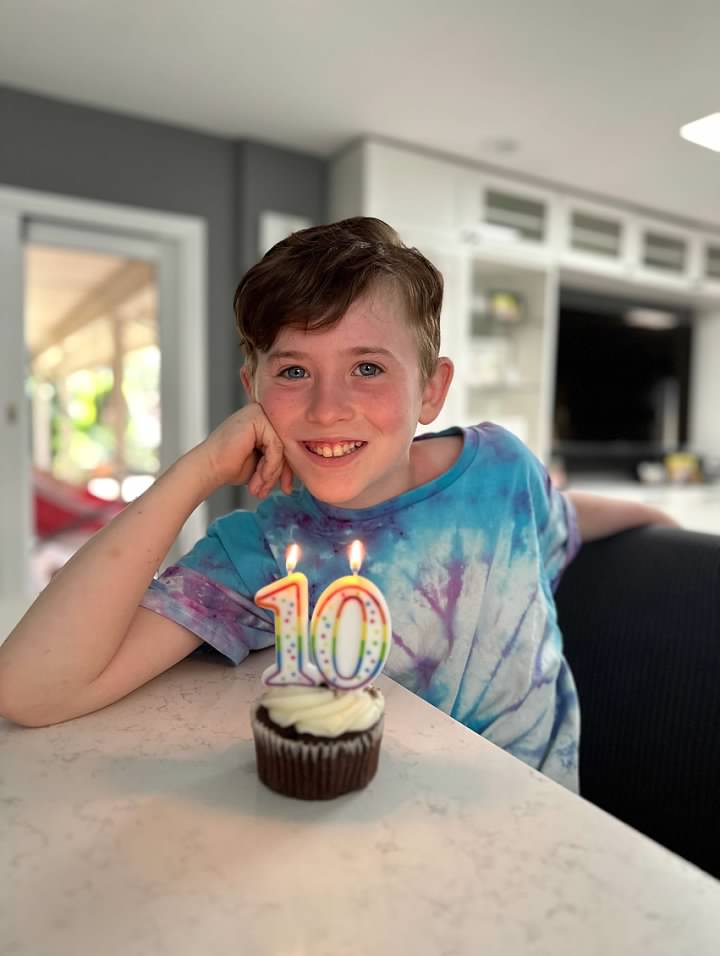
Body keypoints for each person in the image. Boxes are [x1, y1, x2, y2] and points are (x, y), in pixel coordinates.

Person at [0, 217, 675, 792]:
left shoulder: (502, 469)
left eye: (368, 368)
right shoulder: (261, 552)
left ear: (431, 390)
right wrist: (197, 470)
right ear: (253, 388)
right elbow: (33, 689)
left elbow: (553, 516)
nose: (328, 408)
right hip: (375, 834)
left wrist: (657, 525)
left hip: (548, 816)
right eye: (294, 370)